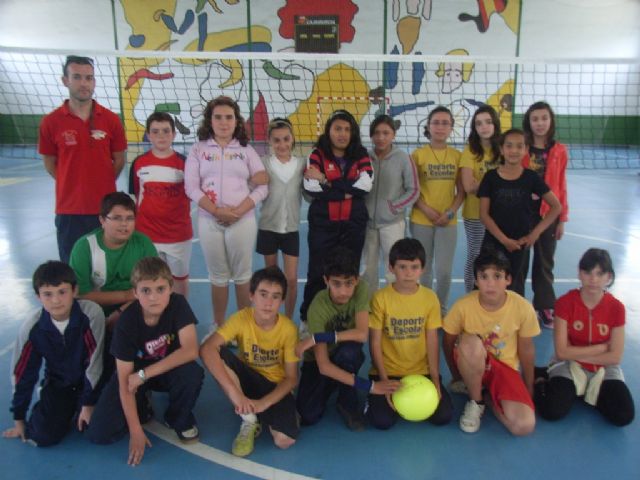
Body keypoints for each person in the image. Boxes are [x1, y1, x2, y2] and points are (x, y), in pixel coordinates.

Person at [87, 257, 204, 466]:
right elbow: (125, 381)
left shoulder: (178, 305)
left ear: (170, 288)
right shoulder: (127, 323)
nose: (154, 298)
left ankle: (177, 417)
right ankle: (143, 405)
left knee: (191, 373)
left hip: (159, 371)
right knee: (100, 433)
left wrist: (145, 375)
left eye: (160, 289)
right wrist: (135, 430)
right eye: (146, 290)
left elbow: (191, 350)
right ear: (135, 293)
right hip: (134, 377)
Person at [185, 96, 268, 328]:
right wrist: (216, 211)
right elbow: (191, 187)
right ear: (209, 121)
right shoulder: (198, 149)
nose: (223, 122)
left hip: (242, 222)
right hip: (209, 221)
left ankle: (244, 328)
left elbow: (263, 185)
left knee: (243, 277)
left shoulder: (246, 150)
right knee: (218, 278)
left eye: (229, 117)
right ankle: (219, 327)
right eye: (218, 117)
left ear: (236, 121)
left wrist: (239, 211)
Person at [200, 266, 299, 457]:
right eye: (263, 294)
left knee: (284, 441)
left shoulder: (288, 329)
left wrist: (263, 403)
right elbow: (206, 349)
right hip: (246, 378)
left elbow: (292, 378)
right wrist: (235, 395)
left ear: (282, 301)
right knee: (213, 350)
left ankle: (259, 411)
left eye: (275, 296)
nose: (268, 303)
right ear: (252, 295)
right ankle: (249, 419)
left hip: (273, 384)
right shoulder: (241, 318)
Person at [3, 261, 104, 446]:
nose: (56, 300)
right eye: (47, 294)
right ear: (38, 297)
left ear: (74, 291)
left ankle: (80, 407)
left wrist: (88, 403)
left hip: (92, 384)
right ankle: (55, 405)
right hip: (60, 384)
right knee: (41, 435)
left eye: (62, 292)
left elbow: (94, 363)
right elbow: (23, 373)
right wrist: (19, 418)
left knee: (97, 431)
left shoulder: (90, 314)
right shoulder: (33, 328)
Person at [295, 247, 396, 431]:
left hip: (344, 353)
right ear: (326, 281)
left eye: (349, 283)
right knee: (308, 415)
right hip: (319, 360)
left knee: (350, 353)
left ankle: (346, 401)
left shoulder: (361, 289)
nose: (343, 291)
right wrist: (371, 386)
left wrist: (319, 337)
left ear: (357, 280)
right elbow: (324, 366)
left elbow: (361, 334)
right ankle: (337, 382)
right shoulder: (317, 306)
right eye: (336, 283)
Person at [39, 55, 127, 263]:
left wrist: (100, 182)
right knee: (71, 271)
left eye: (89, 78)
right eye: (77, 77)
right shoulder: (50, 122)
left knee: (106, 268)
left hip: (105, 211)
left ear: (94, 82)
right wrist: (72, 183)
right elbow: (50, 164)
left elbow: (120, 160)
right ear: (65, 80)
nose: (84, 83)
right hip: (69, 211)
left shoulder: (111, 120)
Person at [443, 250, 540, 435]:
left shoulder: (523, 307)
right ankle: (476, 401)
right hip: (472, 362)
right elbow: (448, 342)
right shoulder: (463, 306)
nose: (490, 283)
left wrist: (529, 387)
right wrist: (457, 376)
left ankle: (486, 396)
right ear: (476, 281)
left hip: (505, 369)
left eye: (497, 276)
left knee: (523, 426)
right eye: (484, 276)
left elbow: (526, 349)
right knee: (470, 342)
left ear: (508, 280)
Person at [534, 248, 634, 426]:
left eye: (600, 273)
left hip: (604, 369)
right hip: (569, 365)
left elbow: (615, 357)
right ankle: (541, 379)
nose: (593, 279)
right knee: (551, 411)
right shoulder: (565, 303)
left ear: (609, 277)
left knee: (623, 415)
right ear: (579, 274)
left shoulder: (616, 308)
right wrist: (601, 348)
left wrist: (577, 352)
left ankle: (582, 390)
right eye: (587, 272)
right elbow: (562, 353)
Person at [366, 238, 452, 429]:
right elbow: (374, 343)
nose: (408, 273)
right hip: (388, 371)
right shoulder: (380, 298)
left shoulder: (430, 298)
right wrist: (383, 379)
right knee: (382, 421)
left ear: (423, 269)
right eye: (402, 267)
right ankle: (370, 400)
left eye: (414, 267)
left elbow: (432, 341)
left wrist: (435, 378)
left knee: (443, 416)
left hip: (421, 372)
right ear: (390, 267)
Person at [300, 110, 373, 323]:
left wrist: (326, 179)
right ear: (329, 131)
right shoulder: (316, 154)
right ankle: (308, 320)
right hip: (324, 225)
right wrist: (348, 191)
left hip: (353, 225)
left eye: (347, 129)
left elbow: (365, 185)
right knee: (317, 274)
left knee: (349, 275)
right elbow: (311, 187)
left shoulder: (361, 155)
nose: (342, 134)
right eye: (337, 128)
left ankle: (346, 320)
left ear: (353, 133)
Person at [477, 129, 562, 296]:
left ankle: (513, 322)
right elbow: (484, 215)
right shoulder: (490, 178)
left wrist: (535, 234)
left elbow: (556, 207)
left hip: (520, 244)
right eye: (509, 146)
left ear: (525, 150)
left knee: (515, 287)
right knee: (489, 285)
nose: (514, 150)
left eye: (519, 146)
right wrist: (504, 240)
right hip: (493, 242)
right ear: (501, 149)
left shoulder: (531, 178)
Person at [69, 192, 158, 327]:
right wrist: (126, 295)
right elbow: (81, 295)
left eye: (129, 218)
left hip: (134, 305)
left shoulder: (143, 243)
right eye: (117, 218)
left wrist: (121, 312)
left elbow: (153, 285)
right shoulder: (84, 247)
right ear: (102, 220)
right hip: (95, 310)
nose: (124, 224)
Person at [129, 112, 193, 297]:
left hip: (178, 236)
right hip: (148, 235)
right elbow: (135, 197)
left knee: (179, 281)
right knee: (150, 281)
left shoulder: (184, 163)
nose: (161, 136)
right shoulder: (139, 163)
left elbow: (193, 193)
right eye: (155, 131)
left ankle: (179, 319)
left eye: (166, 131)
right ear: (148, 135)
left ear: (174, 134)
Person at [410, 106, 464, 316]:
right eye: (436, 122)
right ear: (428, 126)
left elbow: (461, 191)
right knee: (423, 270)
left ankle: (440, 309)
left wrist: (450, 213)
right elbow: (412, 190)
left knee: (443, 271)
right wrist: (426, 209)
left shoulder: (457, 156)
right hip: (421, 220)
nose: (440, 127)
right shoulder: (417, 155)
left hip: (447, 222)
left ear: (451, 128)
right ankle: (424, 309)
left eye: (445, 123)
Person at [522, 101, 569, 329]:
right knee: (518, 261)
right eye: (535, 119)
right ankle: (517, 304)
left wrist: (562, 218)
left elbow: (561, 185)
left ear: (550, 121)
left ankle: (544, 306)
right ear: (528, 122)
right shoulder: (522, 147)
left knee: (544, 262)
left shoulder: (559, 150)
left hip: (549, 214)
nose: (540, 123)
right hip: (522, 213)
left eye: (544, 118)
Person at [362, 115, 419, 299]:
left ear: (393, 135)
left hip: (392, 223)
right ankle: (369, 309)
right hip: (368, 223)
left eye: (386, 133)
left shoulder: (403, 158)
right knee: (368, 269)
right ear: (371, 136)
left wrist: (393, 207)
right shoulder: (364, 157)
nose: (381, 137)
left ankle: (393, 306)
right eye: (377, 133)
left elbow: (413, 190)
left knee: (392, 268)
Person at [257, 118, 306, 319]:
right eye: (276, 140)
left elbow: (310, 194)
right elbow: (253, 187)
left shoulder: (302, 164)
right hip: (268, 228)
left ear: (292, 139)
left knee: (291, 279)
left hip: (291, 230)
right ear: (269, 141)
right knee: (271, 279)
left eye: (286, 139)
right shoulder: (263, 164)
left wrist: (319, 179)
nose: (282, 144)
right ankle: (271, 316)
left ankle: (287, 319)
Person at [460, 105, 501, 292]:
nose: (484, 127)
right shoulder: (470, 151)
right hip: (475, 214)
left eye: (488, 122)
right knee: (476, 255)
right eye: (478, 123)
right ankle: (472, 294)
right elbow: (468, 186)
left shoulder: (503, 149)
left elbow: (511, 179)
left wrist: (482, 184)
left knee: (497, 256)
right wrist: (496, 183)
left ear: (495, 124)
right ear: (474, 128)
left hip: (500, 214)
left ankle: (494, 292)